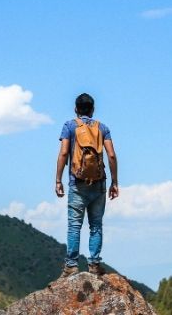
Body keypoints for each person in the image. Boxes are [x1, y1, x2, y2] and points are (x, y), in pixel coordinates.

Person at [55, 93, 119, 278]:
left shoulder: (69, 126)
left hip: (77, 182)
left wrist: (58, 180)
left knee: (74, 225)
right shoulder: (103, 128)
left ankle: (71, 266)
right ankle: (94, 265)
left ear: (76, 109)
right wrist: (114, 182)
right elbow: (112, 155)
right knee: (96, 225)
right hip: (99, 183)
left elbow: (64, 152)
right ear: (92, 109)